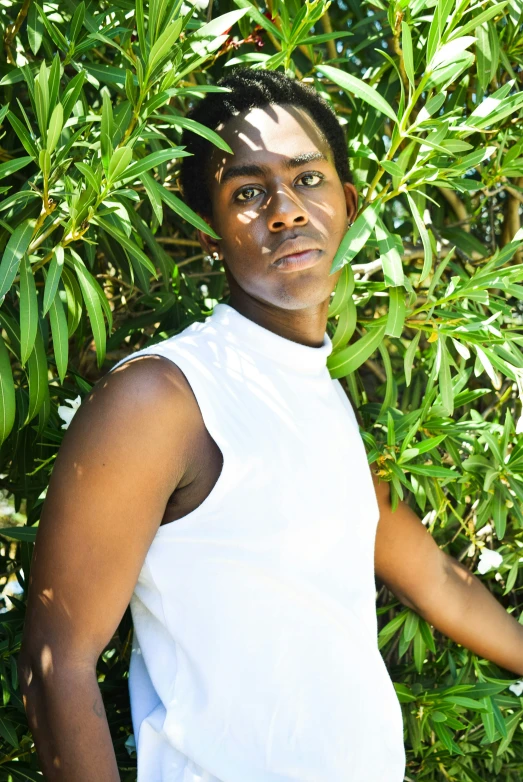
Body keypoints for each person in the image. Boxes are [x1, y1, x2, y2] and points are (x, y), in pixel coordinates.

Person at [18, 68, 523, 782]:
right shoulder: (163, 396)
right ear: (209, 232)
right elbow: (56, 661)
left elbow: (434, 577)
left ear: (346, 204)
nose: (285, 209)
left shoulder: (324, 400)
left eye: (307, 180)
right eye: (247, 193)